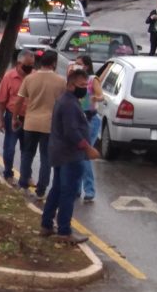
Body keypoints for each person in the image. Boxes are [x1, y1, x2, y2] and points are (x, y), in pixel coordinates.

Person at [40, 68, 99, 244]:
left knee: (57, 189)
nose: (85, 89)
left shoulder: (69, 101)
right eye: (82, 85)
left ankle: (46, 224)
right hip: (70, 155)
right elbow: (71, 131)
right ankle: (64, 231)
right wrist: (87, 148)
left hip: (61, 153)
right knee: (68, 192)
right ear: (71, 85)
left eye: (86, 85)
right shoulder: (69, 104)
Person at [12, 49, 65, 200]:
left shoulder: (30, 79)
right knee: (46, 157)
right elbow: (63, 104)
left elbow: (19, 101)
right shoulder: (61, 81)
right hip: (49, 125)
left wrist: (14, 118)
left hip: (31, 122)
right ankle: (41, 190)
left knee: (27, 154)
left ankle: (23, 184)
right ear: (54, 63)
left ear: (40, 62)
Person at [0, 50, 34, 182]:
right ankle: (8, 173)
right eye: (27, 65)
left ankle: (26, 175)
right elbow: (1, 100)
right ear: (18, 63)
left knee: (27, 149)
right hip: (12, 116)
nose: (29, 68)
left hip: (29, 118)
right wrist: (0, 120)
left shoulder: (34, 76)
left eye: (32, 65)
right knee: (10, 147)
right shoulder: (9, 77)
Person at [71, 55, 103, 203]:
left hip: (90, 119)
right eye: (75, 64)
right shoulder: (74, 80)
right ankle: (76, 188)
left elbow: (100, 95)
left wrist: (95, 98)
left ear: (87, 66)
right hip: (78, 119)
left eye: (80, 64)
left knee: (85, 154)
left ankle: (88, 190)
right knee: (77, 154)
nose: (77, 66)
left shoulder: (92, 80)